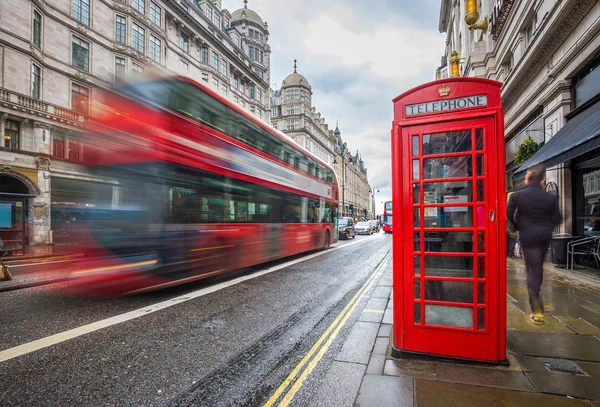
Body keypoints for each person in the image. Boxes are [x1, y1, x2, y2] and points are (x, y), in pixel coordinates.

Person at [506, 167, 561, 325]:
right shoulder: (550, 197)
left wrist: (518, 226)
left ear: (527, 178)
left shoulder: (517, 195)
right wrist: (547, 226)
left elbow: (508, 214)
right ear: (543, 179)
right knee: (538, 267)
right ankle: (537, 298)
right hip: (544, 236)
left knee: (532, 267)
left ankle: (537, 310)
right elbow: (558, 217)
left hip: (527, 235)